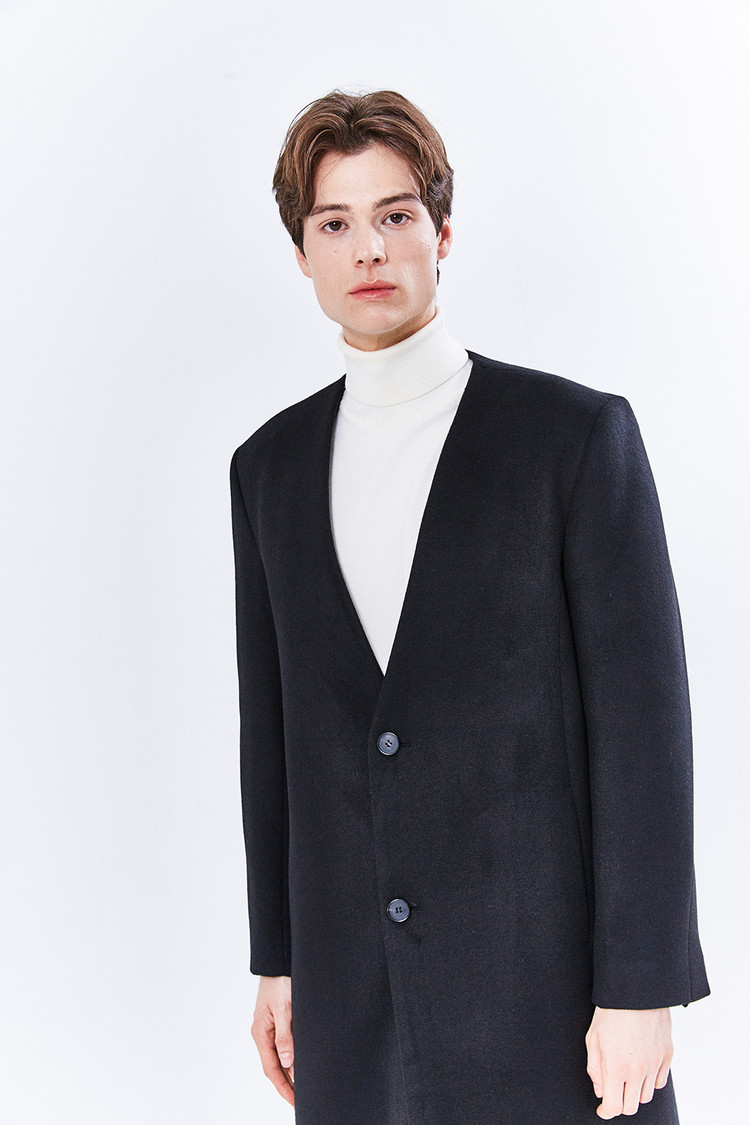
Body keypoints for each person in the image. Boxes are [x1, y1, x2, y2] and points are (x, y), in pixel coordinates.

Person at [230, 89, 709, 1125]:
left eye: (396, 214)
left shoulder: (573, 439)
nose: (368, 248)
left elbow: (645, 728)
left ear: (443, 232)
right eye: (334, 223)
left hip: (548, 997)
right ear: (301, 254)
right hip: (352, 998)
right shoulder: (267, 470)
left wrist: (643, 984)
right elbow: (273, 738)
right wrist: (279, 956)